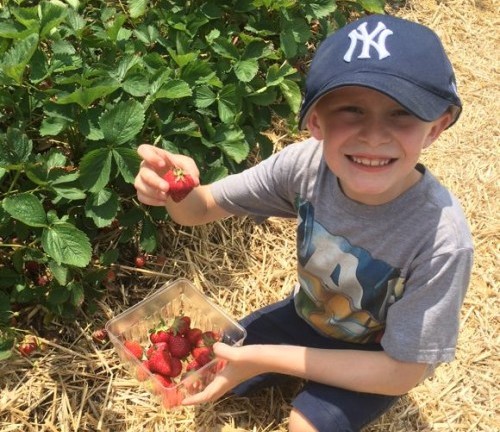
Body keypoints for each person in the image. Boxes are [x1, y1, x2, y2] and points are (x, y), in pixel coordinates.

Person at [134, 14, 473, 432]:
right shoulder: (304, 167)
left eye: (401, 114)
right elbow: (202, 209)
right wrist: (175, 190)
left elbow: (404, 372)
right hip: (307, 316)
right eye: (351, 109)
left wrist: (266, 358)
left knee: (305, 426)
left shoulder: (440, 238)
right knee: (212, 363)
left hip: (376, 354)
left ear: (435, 128)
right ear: (316, 121)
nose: (373, 135)